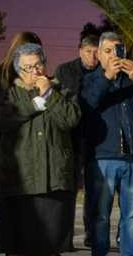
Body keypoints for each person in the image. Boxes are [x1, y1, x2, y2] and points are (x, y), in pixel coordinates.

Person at [0, 43, 81, 255]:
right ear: (18, 70)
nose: (35, 72)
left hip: (54, 183)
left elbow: (71, 119)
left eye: (38, 65)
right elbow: (0, 120)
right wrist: (35, 105)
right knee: (19, 246)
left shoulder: (62, 92)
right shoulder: (10, 95)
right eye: (28, 67)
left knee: (50, 247)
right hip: (20, 183)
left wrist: (49, 95)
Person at [81, 32, 133, 256]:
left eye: (118, 50)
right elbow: (87, 105)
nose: (114, 55)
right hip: (103, 158)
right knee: (101, 215)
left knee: (132, 215)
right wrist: (106, 77)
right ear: (99, 54)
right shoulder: (89, 79)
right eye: (108, 51)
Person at [52, 33, 98, 250]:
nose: (93, 57)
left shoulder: (103, 72)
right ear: (80, 50)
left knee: (94, 190)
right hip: (70, 139)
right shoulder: (64, 70)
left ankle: (92, 234)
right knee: (69, 190)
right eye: (89, 52)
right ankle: (65, 239)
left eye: (97, 52)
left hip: (96, 140)